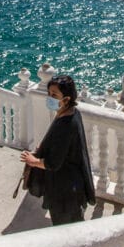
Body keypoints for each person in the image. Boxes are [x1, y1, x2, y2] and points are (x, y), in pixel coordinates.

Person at [20, 75, 96, 225]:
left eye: (54, 95)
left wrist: (32, 161)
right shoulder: (73, 113)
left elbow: (53, 163)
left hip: (64, 191)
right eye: (49, 93)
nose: (50, 98)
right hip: (72, 185)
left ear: (66, 99)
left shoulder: (66, 125)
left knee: (65, 228)